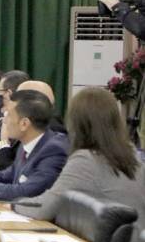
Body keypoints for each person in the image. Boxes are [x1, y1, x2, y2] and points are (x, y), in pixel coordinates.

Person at [13, 88, 145, 228]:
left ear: (77, 124)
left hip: (113, 241)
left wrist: (14, 205)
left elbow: (45, 208)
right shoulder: (132, 153)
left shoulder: (86, 160)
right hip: (133, 238)